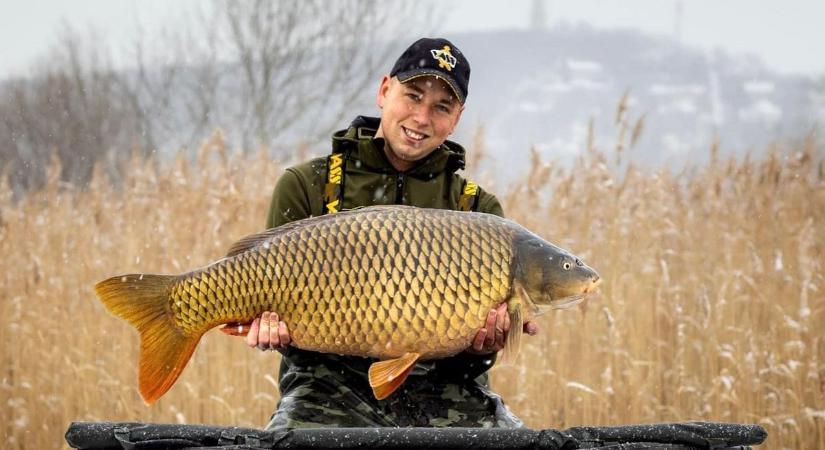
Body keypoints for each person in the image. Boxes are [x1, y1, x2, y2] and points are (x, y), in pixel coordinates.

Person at [246, 37, 538, 429]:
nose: (422, 117)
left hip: (448, 393)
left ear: (457, 118)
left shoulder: (478, 210)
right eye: (413, 96)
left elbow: (474, 366)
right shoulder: (307, 185)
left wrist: (485, 347)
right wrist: (273, 330)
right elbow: (283, 320)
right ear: (384, 90)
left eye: (441, 107)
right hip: (326, 390)